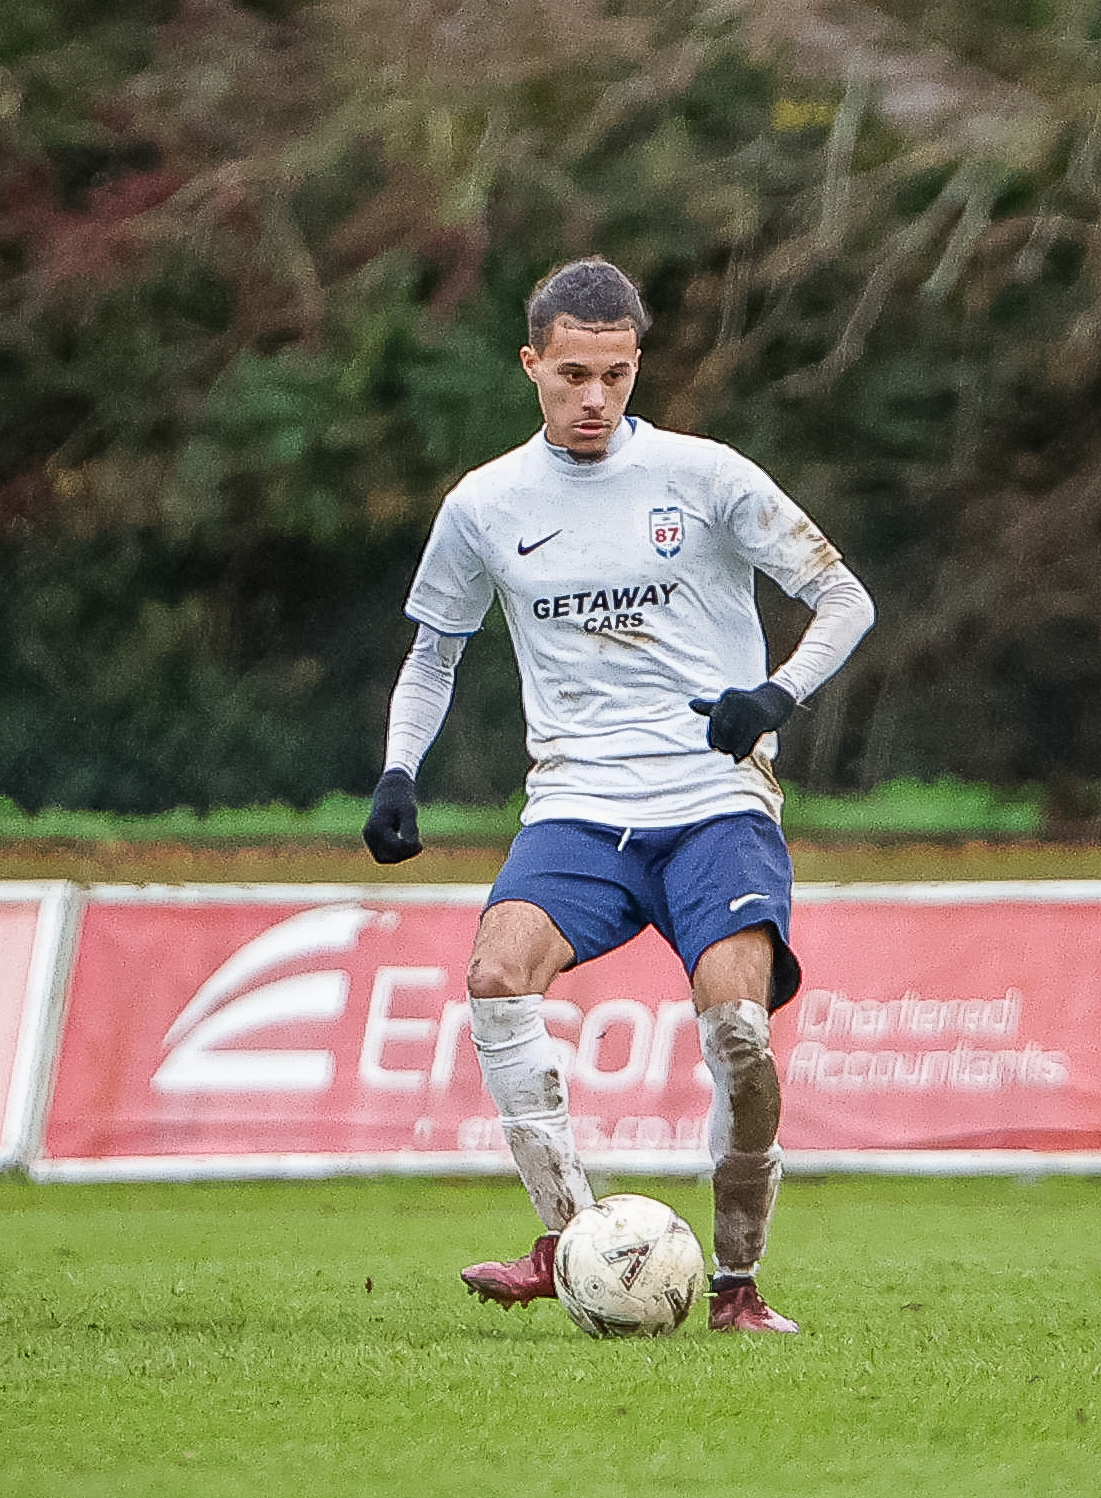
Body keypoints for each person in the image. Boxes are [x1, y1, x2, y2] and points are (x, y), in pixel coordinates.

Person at [363, 257, 874, 1333]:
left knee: (739, 1032)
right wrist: (400, 768)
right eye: (573, 375)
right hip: (578, 806)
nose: (594, 398)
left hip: (714, 801)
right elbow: (434, 655)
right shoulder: (485, 504)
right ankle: (565, 1241)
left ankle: (736, 1286)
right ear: (531, 364)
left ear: (637, 365)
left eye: (616, 375)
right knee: (496, 974)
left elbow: (843, 597)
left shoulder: (704, 475)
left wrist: (773, 693)